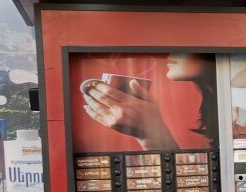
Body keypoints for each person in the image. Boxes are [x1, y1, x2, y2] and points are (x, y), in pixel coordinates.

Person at [82, 54, 218, 150]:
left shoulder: (236, 115)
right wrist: (151, 134)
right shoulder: (216, 109)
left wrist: (152, 133)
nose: (170, 52)